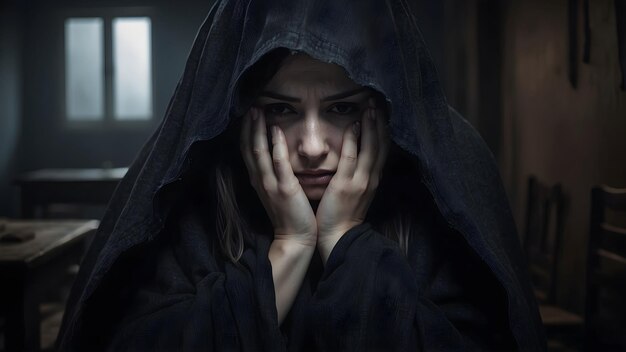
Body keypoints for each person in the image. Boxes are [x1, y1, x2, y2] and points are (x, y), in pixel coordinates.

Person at [57, 0, 546, 351]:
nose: (312, 147)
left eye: (342, 108)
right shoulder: (194, 190)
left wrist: (345, 240)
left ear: (382, 110)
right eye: (281, 110)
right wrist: (288, 249)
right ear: (242, 113)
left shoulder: (439, 188)